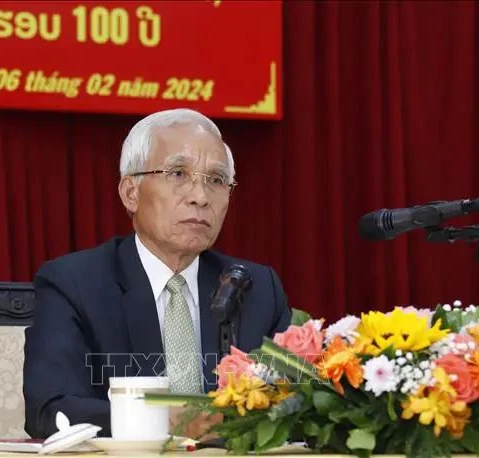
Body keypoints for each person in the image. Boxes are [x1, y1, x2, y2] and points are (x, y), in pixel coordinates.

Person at [23, 108, 291, 438]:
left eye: (216, 181)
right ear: (130, 193)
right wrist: (166, 419)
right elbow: (49, 409)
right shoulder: (74, 284)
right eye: (178, 174)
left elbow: (295, 407)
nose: (200, 197)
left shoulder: (257, 288)